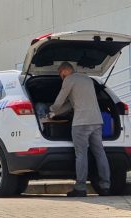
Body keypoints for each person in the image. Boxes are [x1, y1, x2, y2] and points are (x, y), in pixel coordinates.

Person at [48, 62, 111, 197]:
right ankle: (105, 186)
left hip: (81, 123)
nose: (61, 77)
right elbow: (73, 103)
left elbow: (60, 101)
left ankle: (80, 188)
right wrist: (57, 112)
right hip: (96, 121)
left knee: (81, 154)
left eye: (60, 74)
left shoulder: (69, 80)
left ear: (64, 71)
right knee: (100, 153)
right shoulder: (87, 79)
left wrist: (51, 110)